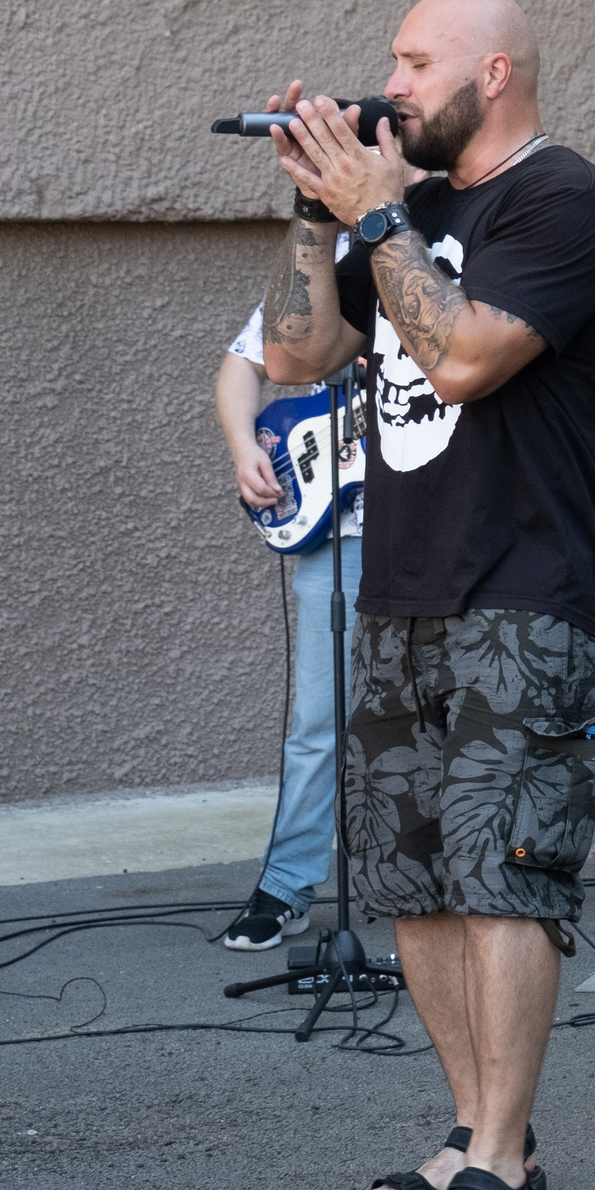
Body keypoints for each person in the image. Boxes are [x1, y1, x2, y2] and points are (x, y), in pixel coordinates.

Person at [258, 0, 595, 1190]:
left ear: (496, 71)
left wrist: (373, 209)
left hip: (529, 588)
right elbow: (301, 361)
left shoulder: (565, 203)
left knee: (506, 874)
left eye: (415, 62)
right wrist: (320, 215)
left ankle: (495, 1168)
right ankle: (487, 1131)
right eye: (389, 61)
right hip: (405, 589)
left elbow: (472, 355)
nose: (393, 81)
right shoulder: (403, 213)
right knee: (415, 877)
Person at [213, 270, 362, 952]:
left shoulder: (466, 245)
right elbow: (243, 364)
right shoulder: (327, 262)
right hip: (344, 537)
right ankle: (288, 884)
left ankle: (459, 880)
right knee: (318, 720)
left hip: (447, 529)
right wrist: (247, 448)